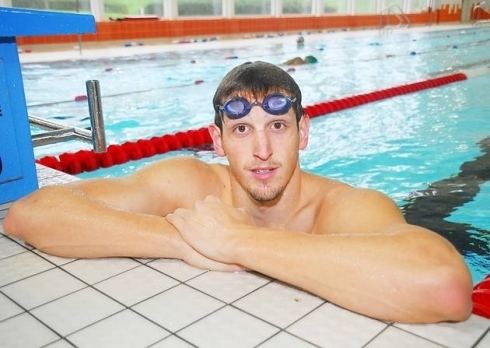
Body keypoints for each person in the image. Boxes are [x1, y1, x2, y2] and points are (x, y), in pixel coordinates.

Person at [4, 61, 472, 323]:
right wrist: (181, 241)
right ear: (217, 141)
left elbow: (447, 287)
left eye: (277, 126)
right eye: (242, 130)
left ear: (303, 133)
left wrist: (239, 242)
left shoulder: (345, 206)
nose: (263, 150)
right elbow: (30, 213)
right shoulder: (191, 181)